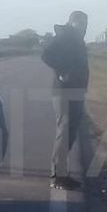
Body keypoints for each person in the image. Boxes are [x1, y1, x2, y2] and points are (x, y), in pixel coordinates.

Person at [41, 10, 90, 190]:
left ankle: (62, 174)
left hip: (76, 90)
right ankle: (57, 176)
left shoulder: (76, 39)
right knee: (65, 130)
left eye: (85, 24)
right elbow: (46, 54)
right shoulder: (66, 36)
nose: (84, 27)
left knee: (70, 131)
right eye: (81, 23)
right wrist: (63, 71)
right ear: (72, 23)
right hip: (64, 91)